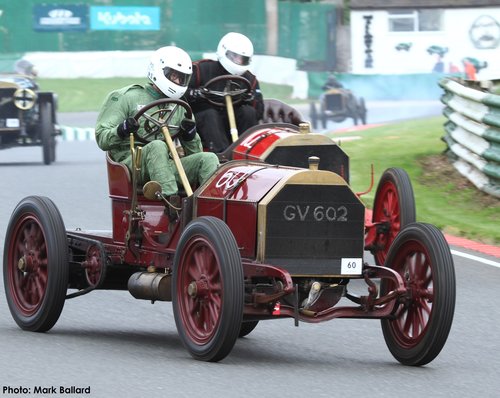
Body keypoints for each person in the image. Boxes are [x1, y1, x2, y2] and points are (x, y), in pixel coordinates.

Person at [95, 46, 219, 207]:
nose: (178, 82)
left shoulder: (180, 106)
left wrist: (190, 136)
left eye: (182, 78)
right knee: (157, 146)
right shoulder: (126, 97)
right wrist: (123, 129)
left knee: (209, 158)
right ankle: (172, 203)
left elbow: (195, 153)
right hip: (132, 164)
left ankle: (211, 206)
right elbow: (102, 139)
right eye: (174, 76)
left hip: (165, 166)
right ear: (159, 71)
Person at [185, 32, 264, 152]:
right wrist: (196, 94)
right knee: (210, 114)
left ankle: (247, 151)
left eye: (242, 59)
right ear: (223, 51)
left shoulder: (249, 79)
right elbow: (181, 93)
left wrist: (250, 99)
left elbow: (259, 111)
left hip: (234, 122)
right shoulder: (201, 69)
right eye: (234, 57)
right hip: (204, 123)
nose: (238, 61)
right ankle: (221, 154)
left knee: (248, 112)